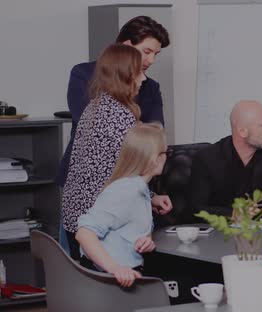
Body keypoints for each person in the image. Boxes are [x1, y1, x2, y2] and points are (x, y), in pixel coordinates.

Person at [57, 16, 171, 251]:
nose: (150, 61)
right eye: (146, 52)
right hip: (95, 196)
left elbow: (153, 139)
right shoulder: (89, 83)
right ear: (126, 48)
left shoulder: (145, 89)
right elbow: (135, 147)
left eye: (155, 55)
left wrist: (147, 194)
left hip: (120, 191)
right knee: (96, 266)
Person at [61, 44, 153, 260]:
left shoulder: (95, 106)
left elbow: (109, 166)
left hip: (76, 214)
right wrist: (150, 194)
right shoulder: (121, 116)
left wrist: (152, 196)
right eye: (140, 72)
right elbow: (125, 174)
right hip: (99, 219)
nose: (143, 79)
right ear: (126, 75)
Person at [76, 122, 167, 287]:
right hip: (110, 281)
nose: (167, 157)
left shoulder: (140, 189)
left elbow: (128, 229)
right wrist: (115, 269)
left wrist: (145, 241)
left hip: (127, 274)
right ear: (155, 159)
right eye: (166, 152)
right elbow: (84, 233)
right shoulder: (125, 191)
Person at [190, 100, 262, 217]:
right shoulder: (206, 159)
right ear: (242, 131)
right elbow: (196, 209)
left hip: (256, 231)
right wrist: (233, 214)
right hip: (218, 231)